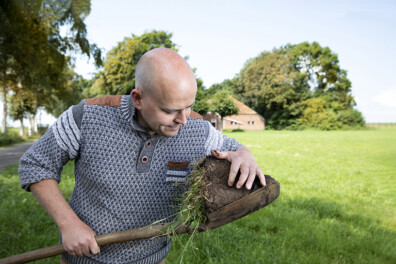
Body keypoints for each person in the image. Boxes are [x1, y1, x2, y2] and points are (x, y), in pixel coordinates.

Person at [19, 48, 266, 264]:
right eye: (170, 110)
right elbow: (35, 164)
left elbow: (231, 146)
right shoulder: (88, 117)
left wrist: (244, 153)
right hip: (85, 259)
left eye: (189, 105)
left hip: (152, 259)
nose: (183, 119)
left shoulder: (197, 130)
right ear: (138, 98)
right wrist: (68, 225)